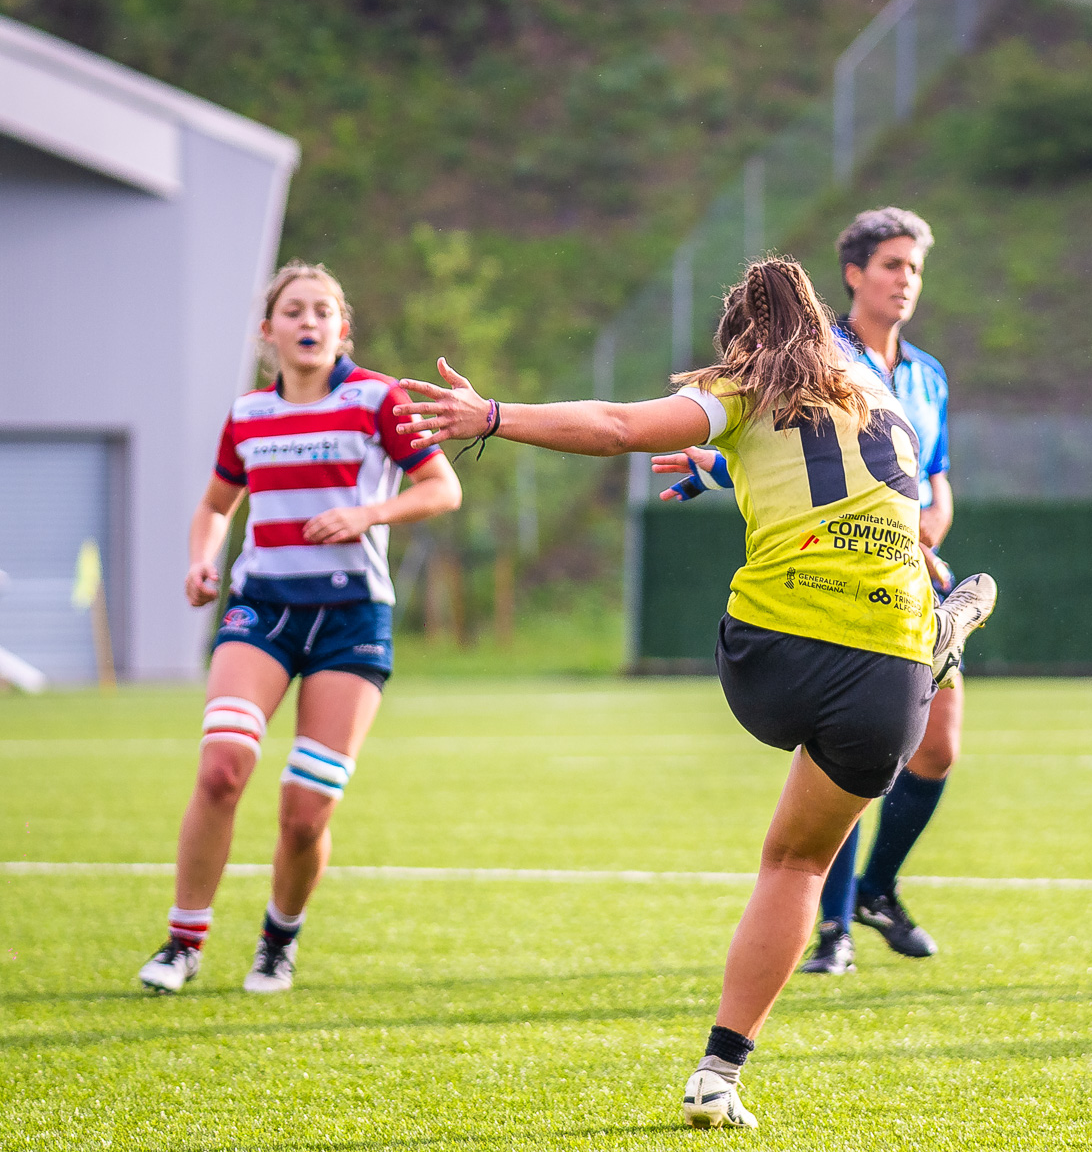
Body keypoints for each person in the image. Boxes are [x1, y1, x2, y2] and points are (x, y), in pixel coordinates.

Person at [391, 256, 998, 1129]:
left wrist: (492, 415)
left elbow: (612, 424)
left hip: (771, 661)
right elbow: (838, 468)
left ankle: (933, 630)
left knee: (786, 774)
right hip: (885, 673)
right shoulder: (885, 404)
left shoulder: (744, 382)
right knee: (798, 862)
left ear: (743, 337)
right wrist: (721, 464)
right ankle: (720, 1069)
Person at [137, 261, 462, 996]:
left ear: (342, 328)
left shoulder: (376, 399)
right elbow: (216, 505)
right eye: (293, 310)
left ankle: (276, 942)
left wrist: (367, 513)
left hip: (352, 617)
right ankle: (183, 940)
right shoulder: (248, 414)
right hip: (262, 610)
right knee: (222, 768)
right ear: (268, 331)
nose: (308, 321)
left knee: (305, 810)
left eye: (322, 310)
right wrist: (200, 561)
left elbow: (443, 487)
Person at [652, 207, 959, 974]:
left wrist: (926, 541)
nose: (905, 280)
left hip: (906, 572)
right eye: (892, 264)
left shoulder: (928, 375)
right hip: (841, 577)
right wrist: (713, 466)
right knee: (847, 736)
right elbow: (786, 442)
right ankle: (835, 927)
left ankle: (876, 890)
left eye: (914, 268)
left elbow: (935, 480)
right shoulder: (822, 354)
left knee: (937, 748)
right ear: (852, 274)